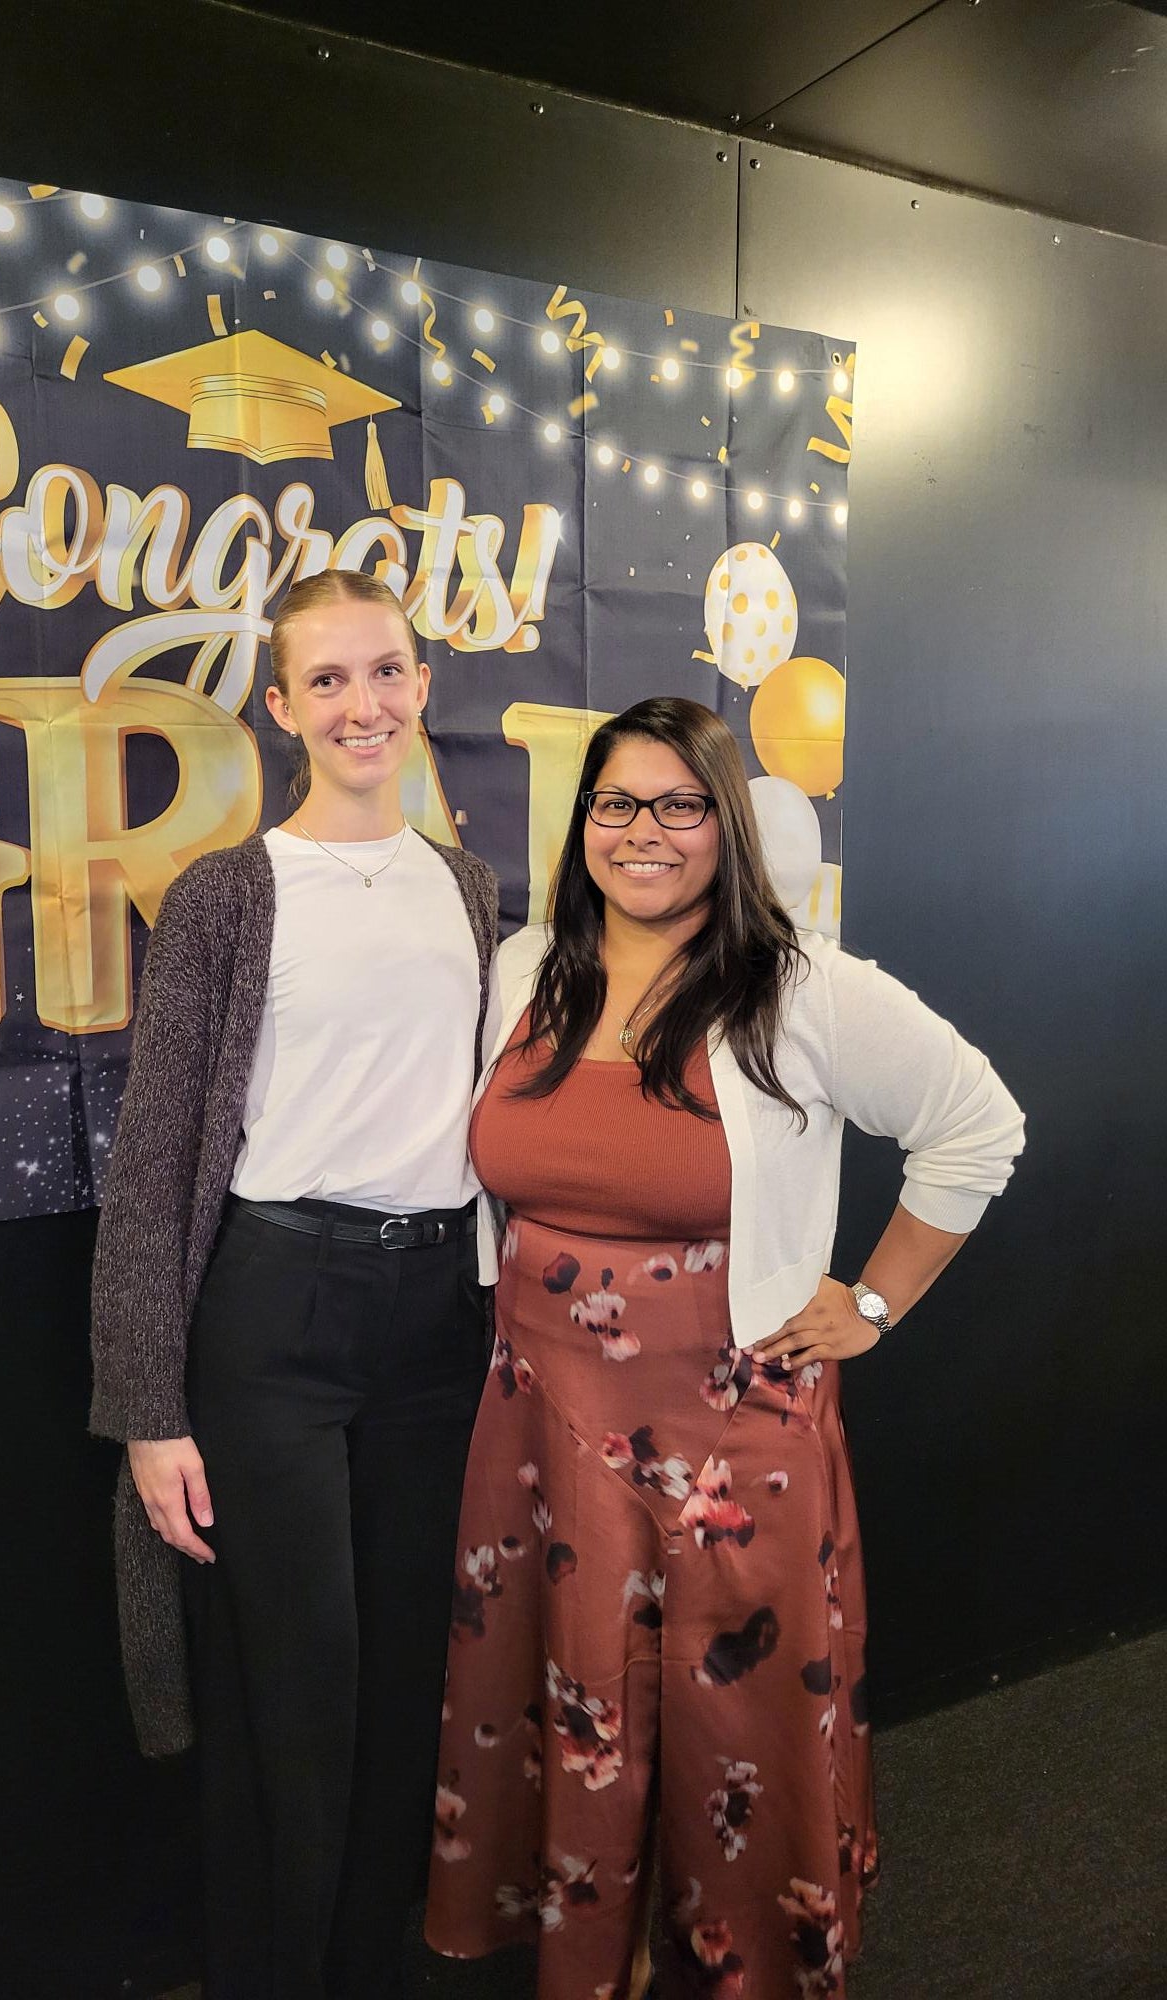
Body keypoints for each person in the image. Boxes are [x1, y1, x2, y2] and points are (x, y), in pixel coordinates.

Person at [424, 696, 1024, 2000]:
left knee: (731, 1732)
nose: (644, 832)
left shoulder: (798, 989)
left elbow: (978, 1125)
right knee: (570, 1711)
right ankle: (601, 1961)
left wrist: (872, 1303)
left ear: (726, 826)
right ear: (582, 821)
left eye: (679, 804)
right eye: (615, 804)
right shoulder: (528, 969)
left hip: (727, 1434)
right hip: (540, 1422)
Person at [89, 568, 498, 2000]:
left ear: (423, 683)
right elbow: (150, 1168)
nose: (360, 703)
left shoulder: (466, 886)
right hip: (275, 1319)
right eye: (325, 681)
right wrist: (148, 1410)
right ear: (280, 707)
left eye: (383, 671)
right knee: (296, 1692)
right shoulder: (227, 896)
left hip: (435, 1322)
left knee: (406, 1686)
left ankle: (369, 1970)